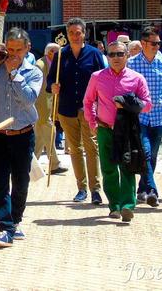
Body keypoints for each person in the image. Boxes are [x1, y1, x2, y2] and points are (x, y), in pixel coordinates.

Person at [0, 27, 43, 247]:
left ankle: (15, 220)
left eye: (18, 50)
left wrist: (14, 74)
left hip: (22, 134)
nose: (13, 54)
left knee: (21, 181)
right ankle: (5, 227)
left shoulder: (34, 72)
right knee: (0, 180)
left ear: (27, 49)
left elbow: (28, 99)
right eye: (10, 49)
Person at [84, 41, 152, 222]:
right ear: (107, 56)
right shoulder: (97, 77)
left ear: (127, 56)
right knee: (108, 169)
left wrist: (129, 104)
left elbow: (147, 104)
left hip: (127, 131)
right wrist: (92, 122)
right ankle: (114, 206)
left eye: (120, 54)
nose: (116, 58)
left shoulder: (137, 78)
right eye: (112, 54)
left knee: (127, 168)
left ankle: (127, 206)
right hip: (105, 129)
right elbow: (88, 101)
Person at [46, 17, 105, 204]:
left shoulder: (94, 54)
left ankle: (96, 190)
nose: (75, 36)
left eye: (78, 33)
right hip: (66, 109)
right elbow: (50, 81)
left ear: (84, 33)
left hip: (89, 109)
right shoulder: (60, 55)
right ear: (67, 34)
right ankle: (82, 188)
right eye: (71, 33)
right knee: (75, 149)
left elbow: (103, 79)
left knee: (92, 148)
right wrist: (52, 86)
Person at [127, 26, 162, 207]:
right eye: (154, 43)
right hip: (140, 119)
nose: (157, 46)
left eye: (159, 43)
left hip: (159, 117)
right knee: (145, 153)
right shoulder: (132, 64)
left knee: (152, 155)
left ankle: (142, 189)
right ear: (144, 43)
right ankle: (153, 190)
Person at [34, 43, 66, 174]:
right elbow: (40, 91)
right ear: (51, 52)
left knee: (41, 138)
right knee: (49, 132)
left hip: (48, 105)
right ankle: (53, 164)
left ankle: (32, 164)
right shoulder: (40, 66)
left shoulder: (53, 64)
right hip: (41, 106)